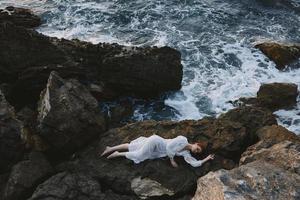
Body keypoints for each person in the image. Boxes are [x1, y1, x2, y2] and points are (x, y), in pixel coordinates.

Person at [100, 134, 214, 167]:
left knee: (133, 146)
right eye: (197, 148)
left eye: (198, 152)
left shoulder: (185, 153)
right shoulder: (182, 139)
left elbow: (194, 163)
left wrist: (206, 159)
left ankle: (110, 148)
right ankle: (117, 154)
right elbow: (169, 148)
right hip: (157, 141)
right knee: (140, 155)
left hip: (157, 151)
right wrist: (172, 160)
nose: (196, 151)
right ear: (196, 143)